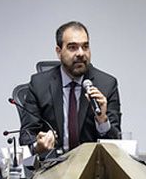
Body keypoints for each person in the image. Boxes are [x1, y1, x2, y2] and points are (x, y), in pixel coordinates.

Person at [19, 21, 121, 155]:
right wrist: (38, 145)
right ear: (59, 51)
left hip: (92, 168)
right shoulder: (39, 85)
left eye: (85, 47)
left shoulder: (106, 84)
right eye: (72, 47)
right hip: (53, 168)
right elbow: (26, 136)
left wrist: (102, 120)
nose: (81, 53)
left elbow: (116, 143)